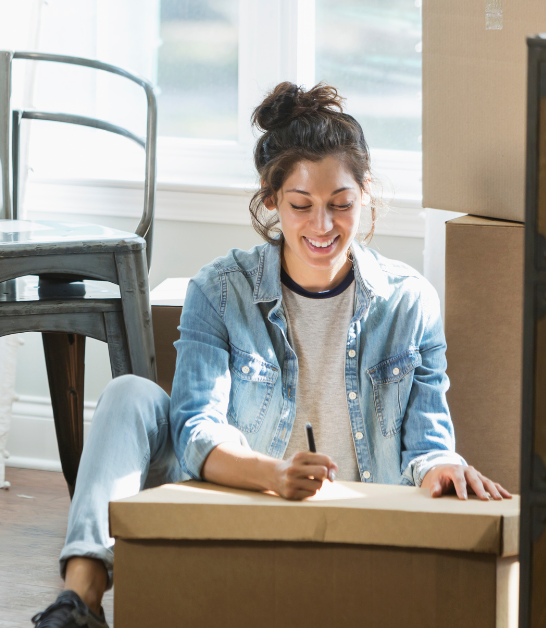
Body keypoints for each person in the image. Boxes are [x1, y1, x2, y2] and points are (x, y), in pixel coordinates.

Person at [30, 82, 513, 628]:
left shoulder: (410, 302)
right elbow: (196, 430)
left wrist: (444, 469)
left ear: (366, 193)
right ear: (271, 199)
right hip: (237, 488)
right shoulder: (219, 289)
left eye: (341, 204)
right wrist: (275, 475)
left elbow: (427, 444)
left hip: (352, 519)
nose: (322, 226)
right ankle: (78, 603)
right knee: (129, 394)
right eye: (301, 206)